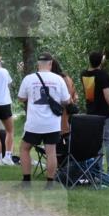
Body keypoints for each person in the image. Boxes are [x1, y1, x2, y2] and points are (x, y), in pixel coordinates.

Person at [17, 53, 71, 187]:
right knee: (51, 152)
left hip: (34, 123)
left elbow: (21, 98)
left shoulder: (29, 79)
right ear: (50, 63)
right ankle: (50, 183)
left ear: (38, 64)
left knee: (24, 149)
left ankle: (26, 181)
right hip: (52, 123)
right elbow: (66, 100)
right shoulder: (59, 79)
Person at [81, 52, 109, 181]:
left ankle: (97, 172)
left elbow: (90, 95)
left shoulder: (84, 74)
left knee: (97, 144)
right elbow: (107, 95)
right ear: (100, 62)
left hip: (91, 114)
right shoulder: (103, 75)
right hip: (104, 114)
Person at [50, 57, 77, 141]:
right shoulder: (67, 78)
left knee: (57, 140)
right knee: (65, 138)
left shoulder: (56, 79)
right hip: (67, 114)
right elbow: (75, 96)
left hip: (59, 114)